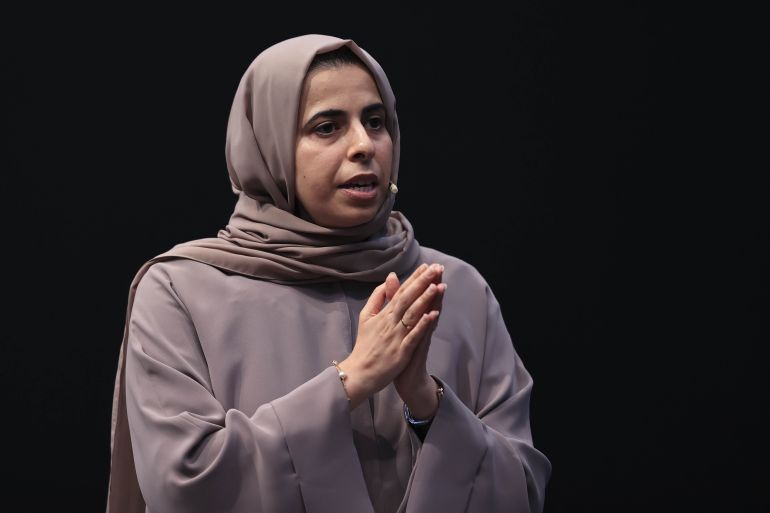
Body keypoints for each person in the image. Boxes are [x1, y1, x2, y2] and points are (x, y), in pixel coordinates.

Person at [106, 34, 551, 513]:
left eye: (376, 122)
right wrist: (352, 379)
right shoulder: (181, 292)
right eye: (326, 127)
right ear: (270, 147)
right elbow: (185, 484)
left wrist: (427, 404)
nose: (364, 145)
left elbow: (521, 492)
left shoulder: (454, 289)